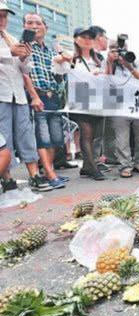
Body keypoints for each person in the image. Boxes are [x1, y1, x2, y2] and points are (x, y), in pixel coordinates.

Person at [0, 4, 52, 192]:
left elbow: (24, 70)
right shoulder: (10, 45)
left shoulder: (12, 38)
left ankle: (34, 175)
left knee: (26, 135)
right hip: (2, 96)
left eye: (4, 16)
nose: (2, 20)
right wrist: (10, 53)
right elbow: (8, 56)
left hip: (18, 95)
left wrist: (24, 58)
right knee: (4, 138)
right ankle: (7, 178)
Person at [53, 26, 106, 180]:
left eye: (90, 37)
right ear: (76, 39)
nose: (87, 40)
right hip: (80, 100)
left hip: (97, 100)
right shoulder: (72, 59)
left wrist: (100, 74)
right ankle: (93, 168)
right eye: (83, 37)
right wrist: (62, 57)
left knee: (95, 135)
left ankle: (86, 167)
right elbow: (57, 70)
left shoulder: (98, 59)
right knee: (86, 133)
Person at [24, 13, 68, 189]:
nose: (34, 26)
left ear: (45, 28)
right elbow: (23, 73)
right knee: (42, 139)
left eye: (38, 23)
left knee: (56, 139)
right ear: (25, 26)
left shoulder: (51, 51)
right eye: (29, 23)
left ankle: (50, 172)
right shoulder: (24, 47)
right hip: (37, 96)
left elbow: (58, 75)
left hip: (53, 97)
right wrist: (34, 96)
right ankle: (50, 174)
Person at [104, 39, 139, 178]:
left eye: (123, 49)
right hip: (119, 107)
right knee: (121, 138)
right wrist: (110, 62)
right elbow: (105, 82)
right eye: (117, 50)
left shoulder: (135, 62)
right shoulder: (108, 63)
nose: (121, 53)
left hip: (138, 104)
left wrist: (130, 67)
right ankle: (125, 165)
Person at [89, 25, 113, 171]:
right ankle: (90, 163)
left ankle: (96, 161)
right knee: (90, 134)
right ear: (99, 38)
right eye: (106, 37)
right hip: (89, 98)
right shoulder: (87, 55)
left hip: (100, 98)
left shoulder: (101, 57)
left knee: (98, 133)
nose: (107, 41)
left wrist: (109, 62)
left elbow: (108, 77)